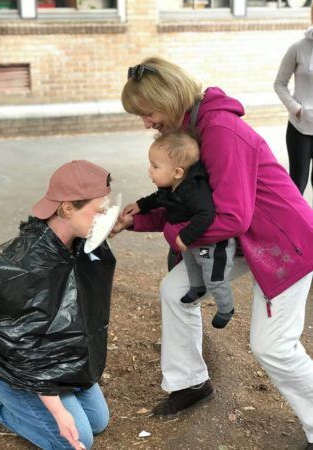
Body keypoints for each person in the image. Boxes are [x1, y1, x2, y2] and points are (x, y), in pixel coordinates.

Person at [114, 57, 313, 449]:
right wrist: (137, 220)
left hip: (284, 243)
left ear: (169, 99)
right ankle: (189, 382)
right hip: (243, 239)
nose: (146, 122)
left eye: (148, 111)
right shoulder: (193, 129)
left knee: (272, 346)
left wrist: (176, 235)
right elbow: (190, 205)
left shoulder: (219, 129)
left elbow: (230, 216)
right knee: (175, 291)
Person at [0, 160, 116, 450]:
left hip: (53, 354)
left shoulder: (76, 240)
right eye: (99, 210)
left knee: (98, 421)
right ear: (66, 208)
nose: (105, 218)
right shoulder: (31, 267)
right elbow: (26, 346)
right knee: (77, 441)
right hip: (9, 363)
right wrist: (57, 411)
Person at [124, 131, 236, 328]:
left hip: (211, 248)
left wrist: (185, 236)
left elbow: (205, 214)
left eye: (155, 166)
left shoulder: (194, 190)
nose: (150, 171)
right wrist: (140, 205)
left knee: (213, 277)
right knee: (191, 262)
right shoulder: (171, 186)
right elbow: (157, 199)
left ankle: (226, 308)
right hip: (192, 244)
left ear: (177, 172)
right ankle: (196, 288)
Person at [273, 6, 313, 197]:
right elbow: (279, 83)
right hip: (300, 129)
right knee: (297, 185)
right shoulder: (298, 48)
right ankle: (295, 226)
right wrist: (296, 109)